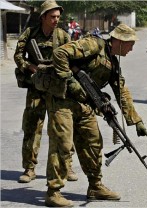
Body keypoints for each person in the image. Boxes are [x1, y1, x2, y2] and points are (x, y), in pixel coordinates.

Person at [41, 23, 147, 206]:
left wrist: (136, 120)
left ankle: (95, 186)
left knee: (93, 142)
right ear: (120, 41)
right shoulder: (94, 45)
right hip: (62, 100)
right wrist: (71, 82)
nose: (132, 48)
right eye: (130, 44)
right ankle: (53, 192)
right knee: (63, 144)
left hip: (84, 105)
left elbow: (122, 92)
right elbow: (60, 54)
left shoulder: (113, 64)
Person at [13, 0, 78, 184]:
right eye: (52, 17)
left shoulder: (63, 36)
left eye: (58, 16)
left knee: (61, 130)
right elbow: (18, 55)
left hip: (57, 89)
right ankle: (29, 168)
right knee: (32, 128)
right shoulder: (30, 33)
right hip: (36, 88)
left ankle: (67, 166)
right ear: (43, 17)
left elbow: (73, 58)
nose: (56, 20)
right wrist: (30, 67)